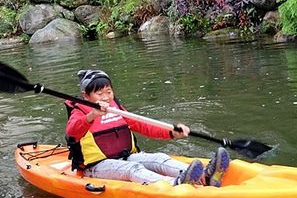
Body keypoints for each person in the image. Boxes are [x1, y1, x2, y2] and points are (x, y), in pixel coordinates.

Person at [65, 69, 231, 187]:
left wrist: (171, 133)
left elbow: (143, 126)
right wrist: (92, 116)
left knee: (158, 158)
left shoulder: (116, 107)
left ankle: (205, 176)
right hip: (96, 167)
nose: (106, 97)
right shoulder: (79, 111)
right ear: (86, 96)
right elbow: (72, 132)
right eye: (99, 94)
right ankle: (176, 183)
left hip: (125, 157)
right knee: (132, 168)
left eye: (108, 92)